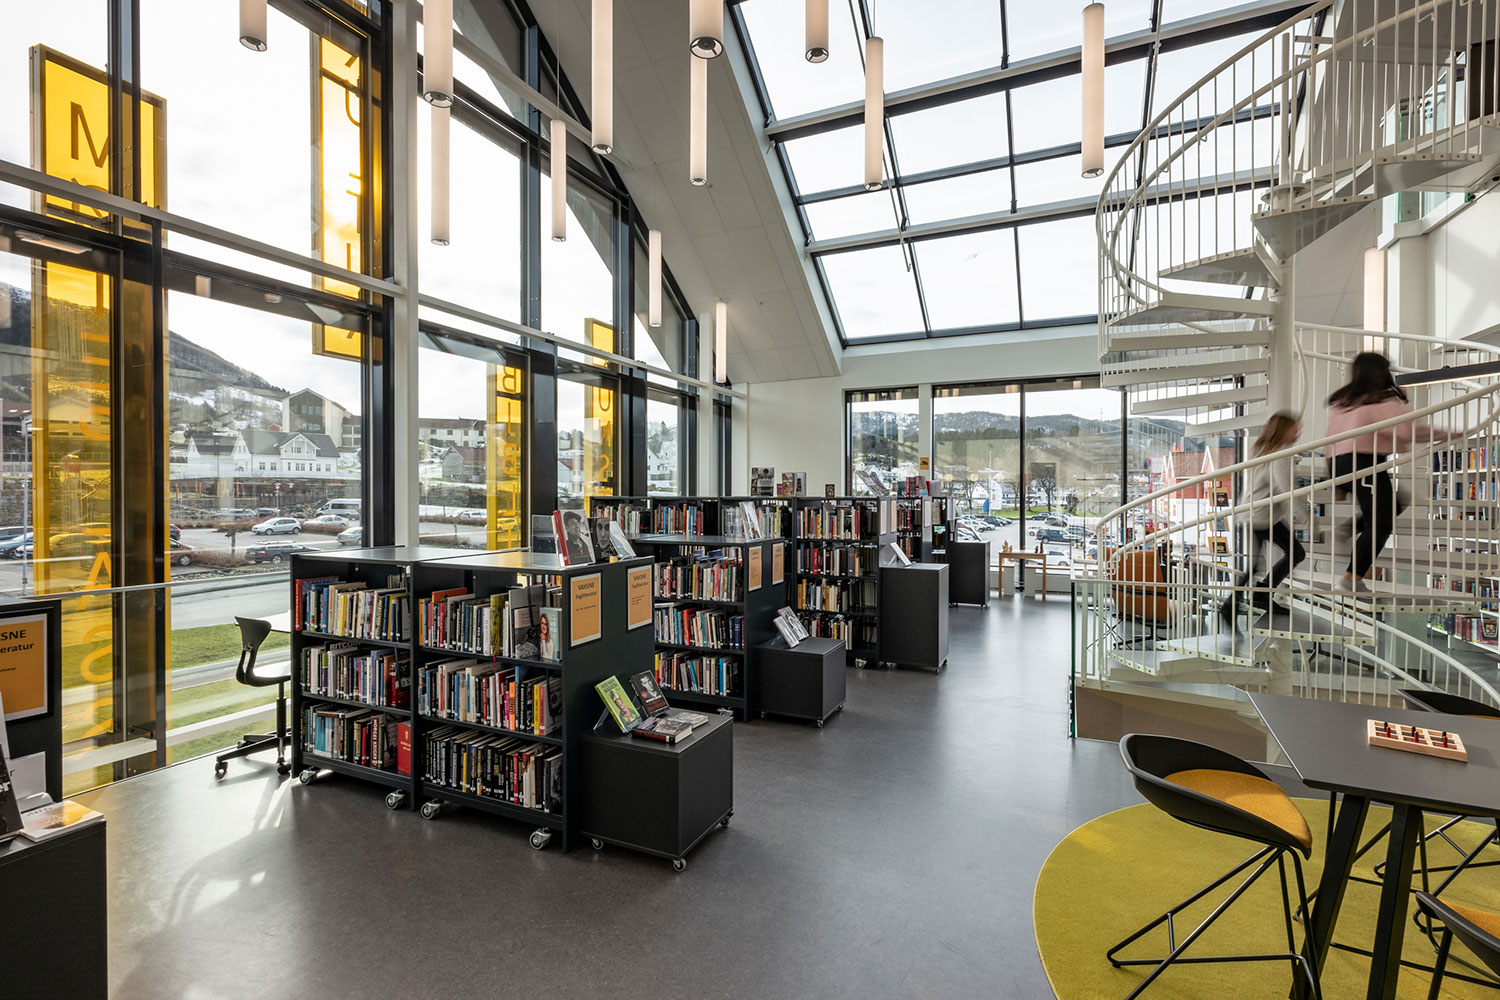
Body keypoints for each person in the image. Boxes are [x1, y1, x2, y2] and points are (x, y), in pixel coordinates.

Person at [1325, 352, 1450, 593]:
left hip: (1340, 463)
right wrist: (1448, 434)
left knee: (1394, 504)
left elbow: (1330, 440)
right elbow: (1407, 431)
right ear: (1382, 372)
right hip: (1365, 462)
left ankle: (1345, 532)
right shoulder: (1381, 399)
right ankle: (1350, 579)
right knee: (1381, 524)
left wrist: (1335, 481)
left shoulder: (1343, 401)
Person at [1220, 412, 1306, 626]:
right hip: (1262, 516)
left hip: (1255, 514)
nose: (1298, 432)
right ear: (1284, 431)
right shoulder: (1280, 454)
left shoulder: (1263, 451)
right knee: (1295, 553)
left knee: (1258, 564)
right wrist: (1307, 519)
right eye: (1295, 428)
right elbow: (1287, 489)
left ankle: (1241, 601)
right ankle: (1254, 596)